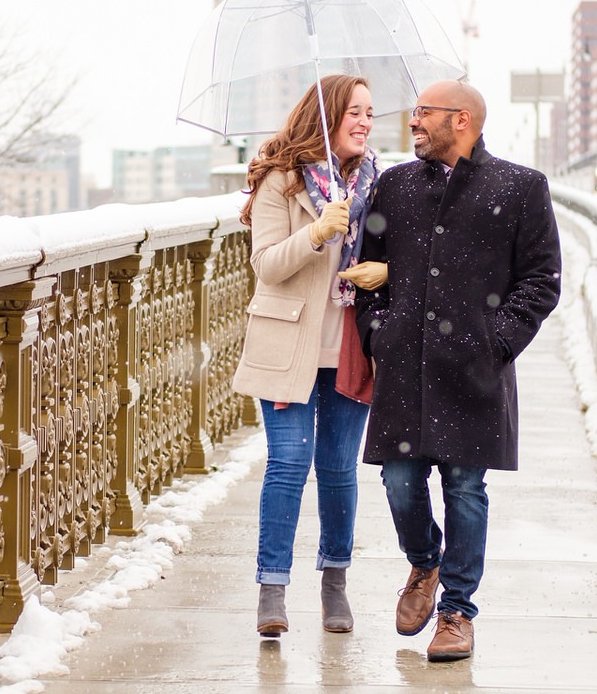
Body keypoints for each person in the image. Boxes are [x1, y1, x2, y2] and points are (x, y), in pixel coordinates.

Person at [352, 79, 562, 661]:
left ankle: (457, 612)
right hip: (405, 368)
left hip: (474, 371)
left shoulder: (521, 187)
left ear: (462, 119)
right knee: (398, 480)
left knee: (466, 488)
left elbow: (542, 280)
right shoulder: (395, 186)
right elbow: (367, 269)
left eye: (423, 114)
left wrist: (495, 343)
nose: (412, 123)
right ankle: (425, 561)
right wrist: (379, 333)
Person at [232, 74, 390, 638]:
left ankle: (334, 583)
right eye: (353, 111)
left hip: (350, 346)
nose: (365, 122)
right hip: (288, 345)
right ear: (325, 116)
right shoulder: (283, 182)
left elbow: (403, 257)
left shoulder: (380, 184)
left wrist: (386, 270)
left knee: (339, 468)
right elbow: (268, 266)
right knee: (289, 463)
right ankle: (271, 588)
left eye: (371, 113)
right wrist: (319, 231)